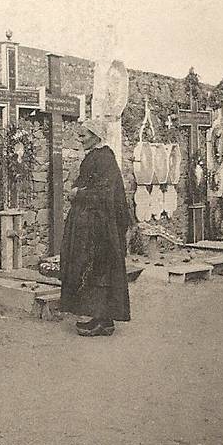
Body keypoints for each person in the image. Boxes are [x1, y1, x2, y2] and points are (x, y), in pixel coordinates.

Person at [59, 119, 132, 336]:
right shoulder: (94, 157)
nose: (80, 140)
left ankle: (102, 320)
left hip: (100, 226)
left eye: (84, 136)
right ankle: (100, 318)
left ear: (97, 136)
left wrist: (77, 193)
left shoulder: (104, 158)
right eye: (79, 136)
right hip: (91, 222)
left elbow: (104, 193)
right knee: (93, 270)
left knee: (98, 270)